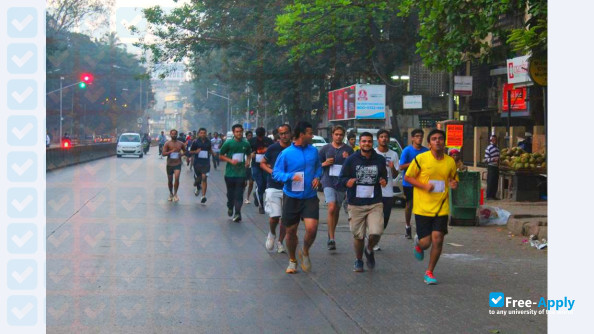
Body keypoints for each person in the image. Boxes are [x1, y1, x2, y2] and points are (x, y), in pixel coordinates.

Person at [405, 129, 458, 285]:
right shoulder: (421, 159)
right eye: (434, 139)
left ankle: (429, 272)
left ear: (444, 142)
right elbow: (408, 177)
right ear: (429, 144)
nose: (437, 141)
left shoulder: (450, 161)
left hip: (441, 207)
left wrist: (454, 184)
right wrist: (423, 186)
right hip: (422, 207)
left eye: (440, 138)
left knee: (438, 239)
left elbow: (453, 179)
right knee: (426, 242)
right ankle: (419, 244)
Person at [273, 121, 322, 274]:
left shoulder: (313, 151)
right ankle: (292, 260)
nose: (312, 135)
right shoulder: (286, 153)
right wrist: (290, 177)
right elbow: (276, 173)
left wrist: (317, 177)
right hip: (292, 197)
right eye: (309, 133)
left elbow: (318, 168)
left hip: (310, 196)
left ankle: (305, 251)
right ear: (302, 134)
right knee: (291, 231)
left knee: (312, 228)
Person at [340, 132, 388, 272]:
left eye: (368, 141)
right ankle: (359, 260)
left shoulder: (379, 159)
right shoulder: (351, 160)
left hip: (375, 202)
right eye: (363, 141)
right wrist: (347, 182)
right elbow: (341, 179)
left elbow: (383, 176)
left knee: (376, 232)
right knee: (358, 235)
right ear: (359, 143)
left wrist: (383, 180)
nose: (366, 144)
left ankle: (369, 248)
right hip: (356, 203)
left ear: (372, 143)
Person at [318, 125, 353, 251]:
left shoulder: (348, 149)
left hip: (341, 182)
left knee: (336, 209)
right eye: (336, 134)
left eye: (340, 134)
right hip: (328, 180)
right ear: (332, 135)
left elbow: (352, 166)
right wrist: (325, 163)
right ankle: (331, 238)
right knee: (331, 207)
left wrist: (347, 159)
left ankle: (330, 232)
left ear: (343, 136)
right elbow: (316, 165)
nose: (338, 136)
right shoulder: (325, 149)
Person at [260, 124, 292, 253]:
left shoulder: (294, 149)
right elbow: (262, 163)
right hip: (273, 186)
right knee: (274, 216)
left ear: (290, 134)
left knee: (285, 217)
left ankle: (280, 242)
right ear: (278, 135)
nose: (284, 136)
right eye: (281, 133)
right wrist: (271, 171)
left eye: (286, 133)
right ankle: (272, 233)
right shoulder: (273, 148)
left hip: (289, 187)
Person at [399, 129, 429, 239]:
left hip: (422, 183)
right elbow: (401, 166)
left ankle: (420, 228)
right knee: (409, 205)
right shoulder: (407, 151)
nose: (419, 138)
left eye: (421, 136)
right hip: (408, 183)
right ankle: (407, 226)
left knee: (421, 206)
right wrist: (414, 163)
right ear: (412, 138)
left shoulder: (426, 151)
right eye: (416, 136)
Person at [219, 124, 252, 222]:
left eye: (240, 132)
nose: (239, 133)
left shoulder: (246, 144)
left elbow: (249, 154)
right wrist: (230, 161)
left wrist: (248, 161)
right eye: (237, 132)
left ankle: (237, 213)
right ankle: (230, 206)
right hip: (230, 173)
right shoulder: (228, 143)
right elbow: (221, 155)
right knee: (230, 194)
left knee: (239, 194)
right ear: (233, 133)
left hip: (241, 173)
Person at [374, 129, 400, 251]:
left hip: (388, 192)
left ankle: (376, 237)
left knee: (385, 218)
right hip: (375, 191)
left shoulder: (394, 154)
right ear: (378, 139)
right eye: (381, 136)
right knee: (375, 217)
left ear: (388, 139)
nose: (384, 139)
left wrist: (393, 168)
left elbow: (395, 175)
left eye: (386, 137)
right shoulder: (373, 153)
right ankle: (373, 239)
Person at [249, 127, 274, 214]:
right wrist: (250, 154)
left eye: (262, 136)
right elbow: (247, 151)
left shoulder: (269, 141)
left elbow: (272, 151)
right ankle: (261, 206)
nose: (260, 138)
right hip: (256, 165)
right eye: (259, 136)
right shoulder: (251, 141)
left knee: (265, 184)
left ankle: (256, 195)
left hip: (265, 165)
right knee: (259, 184)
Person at [162, 129, 187, 202]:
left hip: (177, 163)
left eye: (175, 134)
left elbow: (185, 151)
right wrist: (170, 152)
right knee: (170, 180)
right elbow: (163, 154)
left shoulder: (180, 143)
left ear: (177, 134)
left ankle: (175, 194)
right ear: (170, 135)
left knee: (177, 178)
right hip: (169, 164)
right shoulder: (167, 143)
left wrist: (181, 154)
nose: (174, 135)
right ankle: (171, 193)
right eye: (172, 134)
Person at [189, 128, 212, 203]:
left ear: (206, 133)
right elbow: (190, 151)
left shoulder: (208, 142)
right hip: (197, 163)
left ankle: (203, 196)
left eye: (204, 133)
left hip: (206, 163)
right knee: (197, 180)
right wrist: (196, 151)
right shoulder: (195, 142)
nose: (203, 134)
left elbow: (209, 150)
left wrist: (213, 153)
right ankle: (198, 187)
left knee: (204, 178)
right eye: (201, 133)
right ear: (199, 134)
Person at [485, 134, 500, 200]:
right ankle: (489, 196)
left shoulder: (497, 148)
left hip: (496, 166)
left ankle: (493, 195)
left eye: (495, 140)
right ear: (491, 140)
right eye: (493, 140)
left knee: (495, 181)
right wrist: (493, 159)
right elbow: (486, 159)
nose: (494, 141)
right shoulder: (489, 148)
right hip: (491, 166)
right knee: (490, 181)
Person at [244, 130, 255, 205]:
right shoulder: (244, 144)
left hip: (252, 166)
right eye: (249, 136)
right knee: (244, 183)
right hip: (244, 165)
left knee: (251, 182)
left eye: (251, 135)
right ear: (246, 136)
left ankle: (247, 197)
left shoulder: (254, 144)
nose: (250, 137)